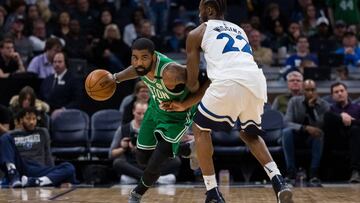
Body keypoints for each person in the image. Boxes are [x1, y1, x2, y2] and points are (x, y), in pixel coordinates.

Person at [162, 1, 293, 202]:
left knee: (199, 130)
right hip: (256, 81)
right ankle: (278, 180)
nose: (199, 14)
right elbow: (217, 77)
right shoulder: (239, 29)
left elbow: (193, 83)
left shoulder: (197, 33)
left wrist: (176, 79)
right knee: (249, 134)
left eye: (201, 9)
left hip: (229, 82)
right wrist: (186, 103)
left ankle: (212, 192)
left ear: (210, 10)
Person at [110, 38, 200, 203]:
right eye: (134, 57)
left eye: (144, 57)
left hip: (177, 114)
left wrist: (184, 104)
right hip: (155, 109)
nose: (138, 62)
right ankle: (187, 150)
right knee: (142, 158)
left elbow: (203, 82)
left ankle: (136, 194)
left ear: (153, 57)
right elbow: (135, 70)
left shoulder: (172, 72)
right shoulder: (141, 66)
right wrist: (115, 78)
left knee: (156, 161)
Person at [0, 107, 77, 188]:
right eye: (28, 119)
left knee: (69, 167)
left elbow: (48, 155)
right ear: (21, 119)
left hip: (38, 169)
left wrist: (53, 172)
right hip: (21, 166)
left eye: (34, 119)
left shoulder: (42, 132)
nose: (32, 122)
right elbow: (6, 154)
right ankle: (13, 176)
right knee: (4, 138)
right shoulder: (12, 134)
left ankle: (37, 181)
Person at [110, 100, 180, 185]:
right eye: (138, 113)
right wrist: (123, 148)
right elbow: (111, 154)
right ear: (133, 112)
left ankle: (142, 178)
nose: (141, 117)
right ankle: (152, 179)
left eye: (144, 114)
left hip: (152, 164)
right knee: (117, 163)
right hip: (134, 165)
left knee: (176, 161)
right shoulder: (123, 129)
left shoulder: (157, 127)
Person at [283, 79, 329, 186]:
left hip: (312, 138)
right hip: (296, 136)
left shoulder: (324, 105)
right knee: (286, 132)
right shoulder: (294, 101)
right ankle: (291, 172)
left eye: (312, 90)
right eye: (307, 90)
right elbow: (286, 122)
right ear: (302, 90)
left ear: (316, 90)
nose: (310, 93)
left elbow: (321, 126)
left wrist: (312, 110)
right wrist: (305, 128)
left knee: (320, 134)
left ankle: (313, 173)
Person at [323, 82, 360, 183]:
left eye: (342, 91)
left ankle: (355, 171)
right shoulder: (330, 109)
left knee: (355, 129)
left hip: (354, 139)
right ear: (332, 96)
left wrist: (351, 120)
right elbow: (326, 121)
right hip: (336, 139)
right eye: (336, 92)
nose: (339, 93)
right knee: (328, 116)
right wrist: (341, 117)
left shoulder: (357, 108)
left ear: (347, 92)